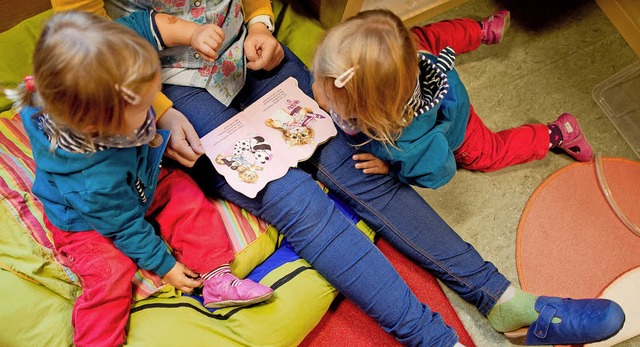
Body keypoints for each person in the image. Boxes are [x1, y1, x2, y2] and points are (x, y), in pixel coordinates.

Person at [52, 2, 625, 346]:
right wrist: (160, 111)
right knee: (297, 200)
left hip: (247, 57)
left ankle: (504, 302)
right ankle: (434, 339)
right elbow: (119, 60)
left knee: (348, 157)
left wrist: (259, 26)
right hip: (174, 87)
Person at [13, 11, 273, 347]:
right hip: (88, 221)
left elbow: (143, 26)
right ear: (102, 130)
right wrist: (164, 266)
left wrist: (192, 33)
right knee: (110, 274)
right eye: (144, 105)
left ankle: (216, 278)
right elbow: (123, 226)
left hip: (141, 174)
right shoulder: (93, 178)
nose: (154, 104)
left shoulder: (107, 52)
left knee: (184, 194)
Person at [312, 9, 594, 189]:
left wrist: (391, 171)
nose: (318, 92)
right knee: (426, 37)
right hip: (427, 65)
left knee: (491, 153)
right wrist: (330, 90)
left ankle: (557, 133)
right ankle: (480, 30)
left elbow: (440, 172)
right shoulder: (403, 50)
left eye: (328, 94)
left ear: (373, 116)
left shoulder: (411, 146)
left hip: (456, 125)